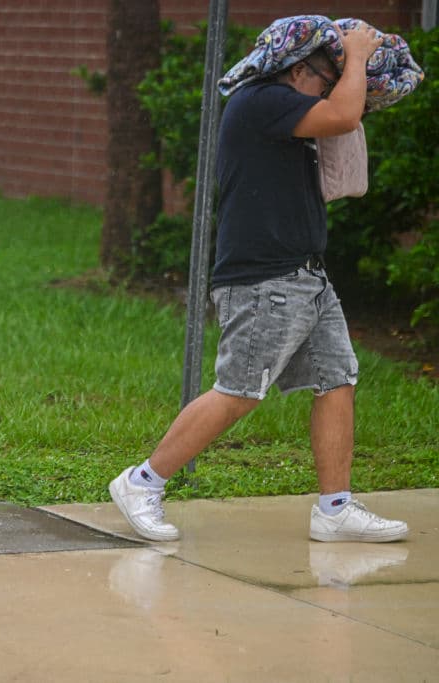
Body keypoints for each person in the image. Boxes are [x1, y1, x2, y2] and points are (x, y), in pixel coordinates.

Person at [109, 24, 409, 543]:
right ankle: (142, 482)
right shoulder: (262, 100)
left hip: (305, 274)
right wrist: (357, 55)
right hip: (263, 279)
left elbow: (341, 117)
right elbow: (344, 114)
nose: (329, 89)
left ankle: (334, 509)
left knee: (337, 379)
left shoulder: (286, 108)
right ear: (297, 70)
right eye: (324, 79)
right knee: (241, 391)